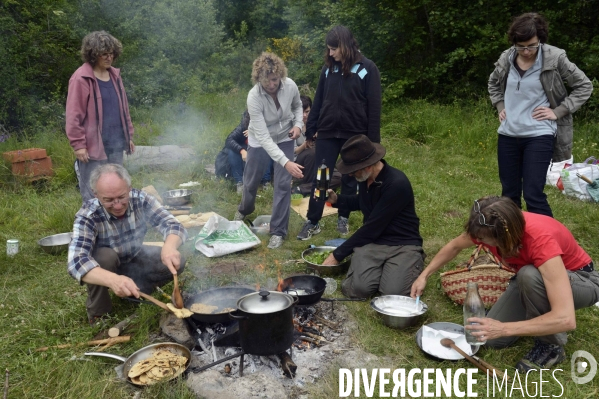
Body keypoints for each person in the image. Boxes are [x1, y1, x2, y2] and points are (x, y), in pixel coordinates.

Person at [411, 196, 598, 372]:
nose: (477, 241)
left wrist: (503, 328)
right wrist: (424, 275)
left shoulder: (540, 241)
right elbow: (454, 246)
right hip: (533, 280)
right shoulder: (489, 225)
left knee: (528, 275)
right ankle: (534, 311)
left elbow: (565, 318)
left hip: (581, 281)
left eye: (482, 239)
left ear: (503, 236)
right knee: (490, 339)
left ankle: (550, 347)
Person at [488, 13, 592, 217]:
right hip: (508, 135)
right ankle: (514, 243)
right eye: (521, 46)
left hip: (539, 135)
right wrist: (500, 105)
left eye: (532, 45)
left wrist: (558, 111)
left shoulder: (554, 58)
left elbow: (584, 86)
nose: (526, 51)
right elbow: (493, 83)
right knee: (509, 196)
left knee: (533, 194)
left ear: (540, 40)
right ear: (514, 43)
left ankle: (551, 244)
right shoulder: (506, 57)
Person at [67, 164, 187, 324]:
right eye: (108, 200)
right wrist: (113, 280)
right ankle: (99, 313)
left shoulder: (141, 200)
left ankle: (137, 287)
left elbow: (173, 224)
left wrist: (169, 247)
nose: (117, 205)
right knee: (105, 257)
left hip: (134, 255)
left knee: (177, 261)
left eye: (122, 197)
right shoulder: (88, 216)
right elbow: (76, 261)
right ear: (96, 194)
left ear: (129, 188)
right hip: (106, 267)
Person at [297, 25, 381, 239]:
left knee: (351, 177)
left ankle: (344, 216)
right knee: (322, 178)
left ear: (345, 46)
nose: (331, 53)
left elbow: (374, 107)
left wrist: (373, 142)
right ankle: (313, 220)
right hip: (327, 133)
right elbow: (318, 101)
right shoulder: (328, 70)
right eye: (329, 49)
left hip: (355, 134)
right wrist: (311, 128)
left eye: (334, 49)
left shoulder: (367, 69)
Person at [321, 135, 425, 298]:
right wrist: (337, 200)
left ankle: (407, 264)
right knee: (358, 290)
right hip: (374, 243)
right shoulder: (365, 178)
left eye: (353, 170)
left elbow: (372, 227)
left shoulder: (396, 184)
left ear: (368, 166)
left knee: (392, 294)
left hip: (402, 244)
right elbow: (364, 202)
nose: (349, 175)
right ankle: (381, 270)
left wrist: (338, 254)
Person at [234, 52, 304, 249]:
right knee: (251, 181)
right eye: (266, 82)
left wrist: (298, 125)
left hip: (285, 137)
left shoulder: (290, 85)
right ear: (259, 80)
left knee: (282, 184)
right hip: (260, 140)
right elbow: (264, 137)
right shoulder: (253, 96)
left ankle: (278, 231)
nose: (271, 85)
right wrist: (286, 162)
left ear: (280, 75)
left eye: (274, 80)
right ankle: (245, 208)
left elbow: (298, 106)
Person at [66, 31, 135, 202]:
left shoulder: (115, 76)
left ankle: (117, 224)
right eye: (104, 54)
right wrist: (78, 145)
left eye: (111, 53)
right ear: (93, 55)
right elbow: (73, 115)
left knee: (117, 188)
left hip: (116, 143)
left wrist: (129, 137)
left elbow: (123, 109)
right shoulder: (81, 78)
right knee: (93, 191)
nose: (109, 57)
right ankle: (91, 225)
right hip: (93, 146)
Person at [222, 110, 271, 194]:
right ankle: (240, 183)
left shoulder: (271, 126)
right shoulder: (244, 126)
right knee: (231, 151)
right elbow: (229, 140)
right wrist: (242, 151)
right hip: (245, 157)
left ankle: (265, 181)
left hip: (262, 157)